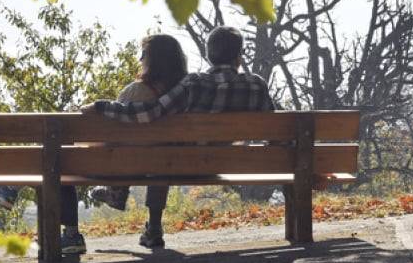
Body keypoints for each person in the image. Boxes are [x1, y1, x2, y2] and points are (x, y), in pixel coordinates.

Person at [0, 34, 189, 254]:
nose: (139, 59)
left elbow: (109, 130)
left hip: (113, 164)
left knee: (60, 158)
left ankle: (64, 229)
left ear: (154, 60)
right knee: (63, 156)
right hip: (163, 164)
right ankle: (11, 191)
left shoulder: (136, 92)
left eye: (143, 54)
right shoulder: (183, 95)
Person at [81, 26, 275, 248]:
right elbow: (278, 130)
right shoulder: (257, 85)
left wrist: (100, 106)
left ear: (209, 54)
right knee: (164, 154)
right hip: (219, 166)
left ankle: (152, 227)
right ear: (239, 56)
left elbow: (149, 113)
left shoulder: (194, 84)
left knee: (163, 154)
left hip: (180, 164)